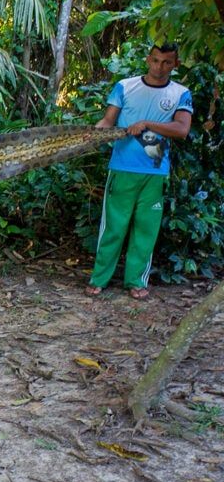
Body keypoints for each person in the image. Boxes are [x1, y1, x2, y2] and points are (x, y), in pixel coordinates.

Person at [87, 43, 193, 300]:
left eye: (166, 62)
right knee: (113, 226)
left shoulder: (181, 92)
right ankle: (99, 279)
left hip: (155, 172)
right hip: (122, 168)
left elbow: (181, 130)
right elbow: (108, 121)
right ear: (148, 59)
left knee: (146, 229)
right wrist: (95, 134)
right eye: (155, 60)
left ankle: (136, 281)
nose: (159, 67)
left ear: (175, 64)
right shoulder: (125, 86)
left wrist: (147, 124)